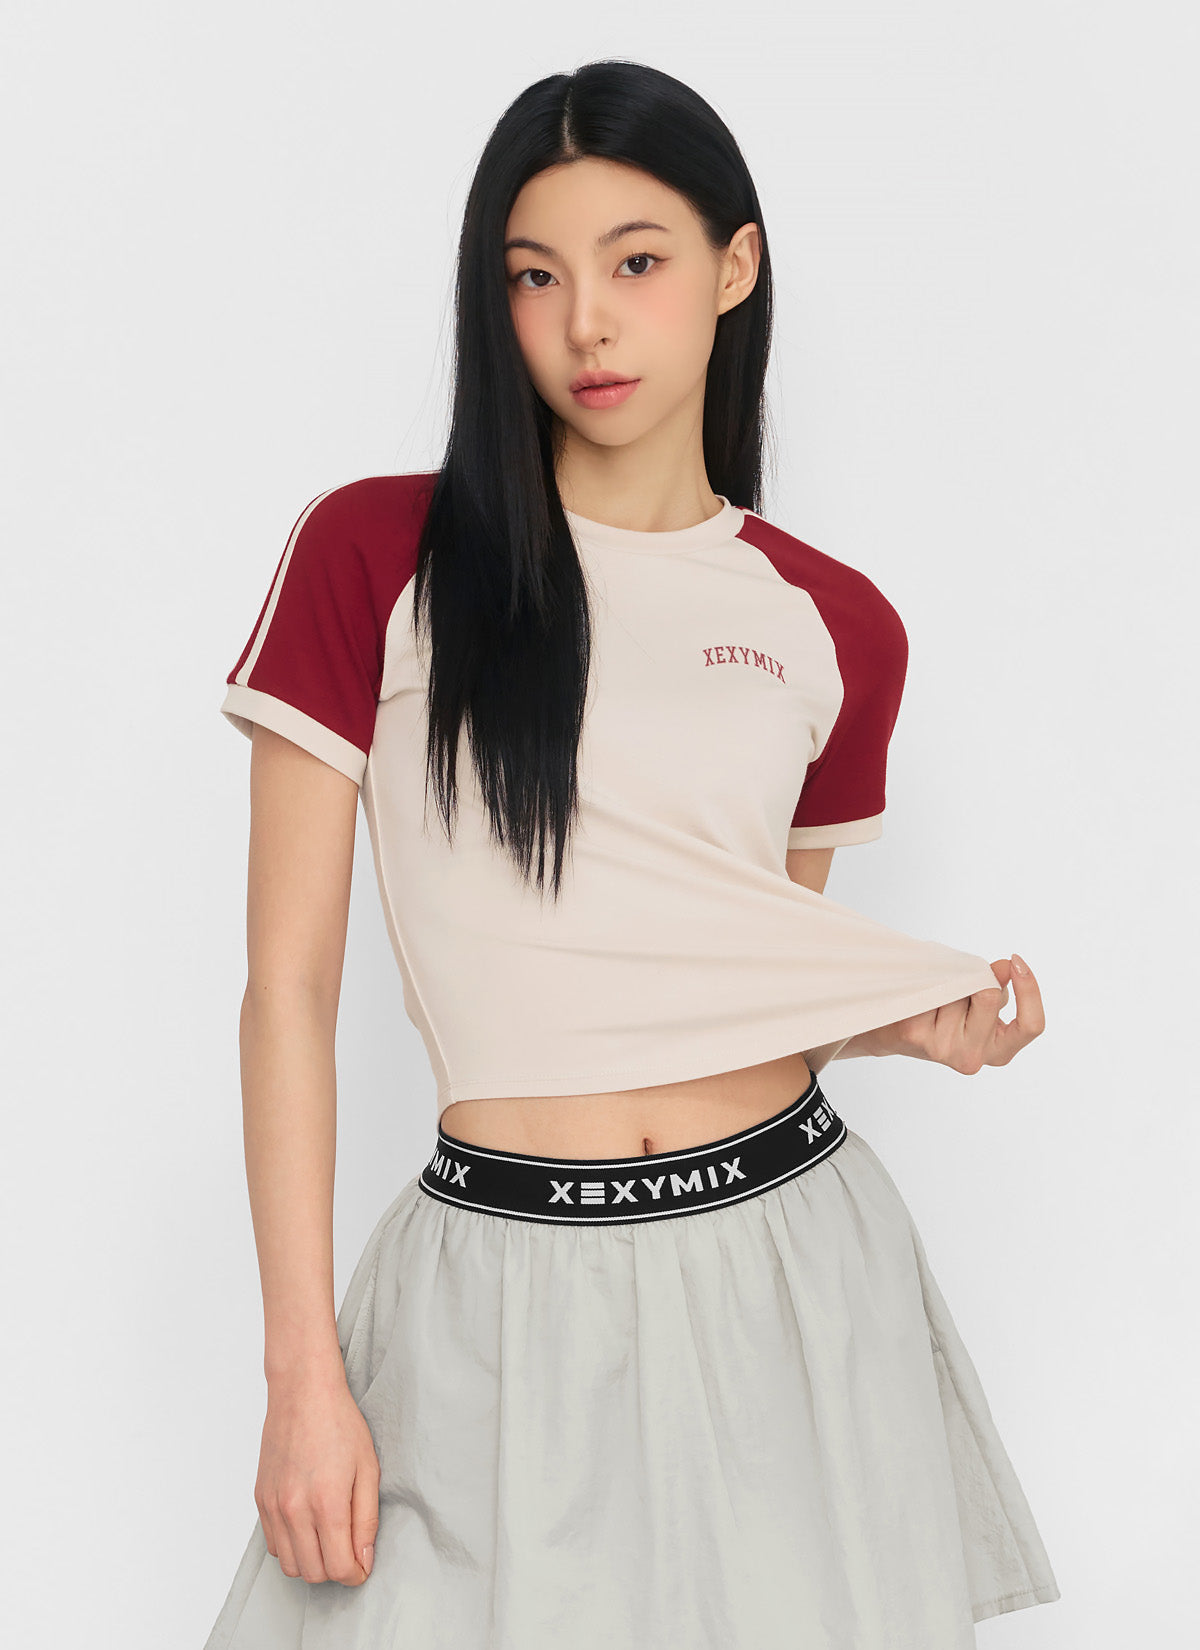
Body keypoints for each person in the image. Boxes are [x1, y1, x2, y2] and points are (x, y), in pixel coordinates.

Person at [202, 59, 1060, 1650]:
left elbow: (734, 976)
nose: (585, 322)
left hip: (793, 1264)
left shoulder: (837, 625)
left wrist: (896, 1020)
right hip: (495, 1280)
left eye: (637, 261)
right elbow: (288, 989)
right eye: (535, 276)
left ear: (735, 267)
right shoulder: (372, 555)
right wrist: (300, 1368)